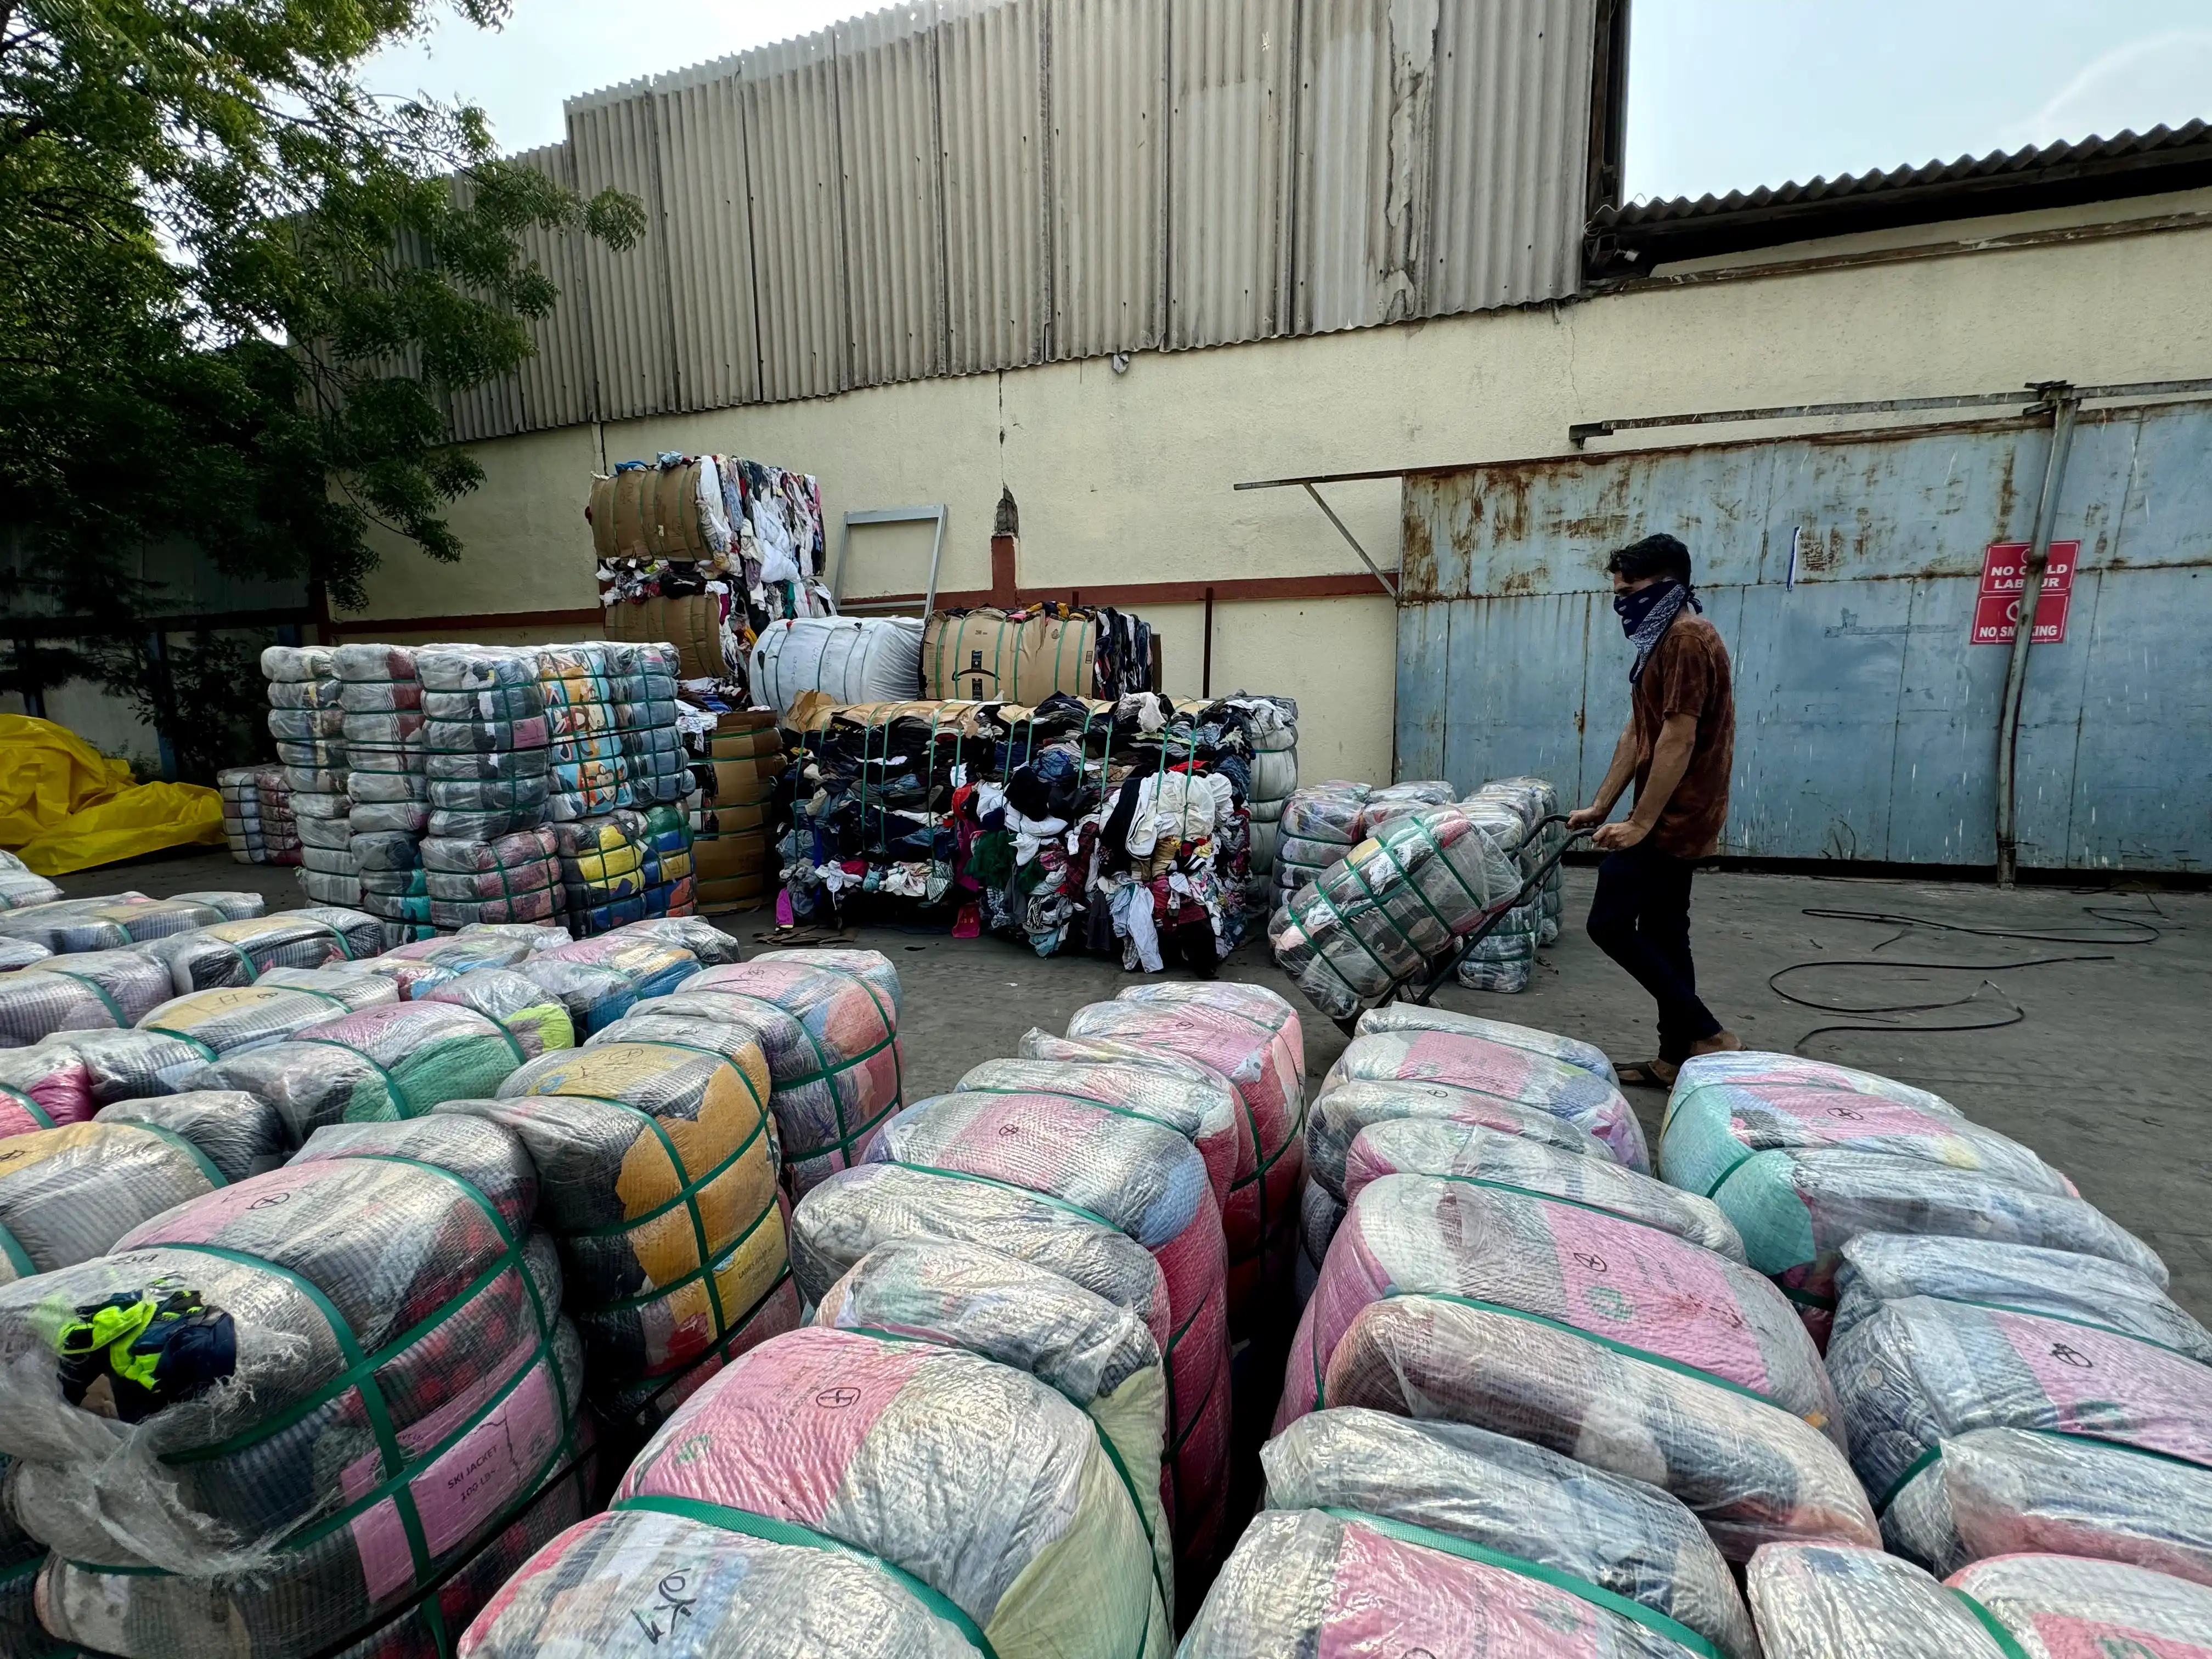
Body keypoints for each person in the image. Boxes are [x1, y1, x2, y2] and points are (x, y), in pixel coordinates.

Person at [1565, 533, 1741, 1088]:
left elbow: (1678, 739)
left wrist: (1639, 822)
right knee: (1667, 932)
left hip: (1677, 814)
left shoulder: (1688, 638)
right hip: (1663, 810)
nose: (1623, 600)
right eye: (1617, 590)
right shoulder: (1658, 638)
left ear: (1668, 584)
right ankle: (1675, 1057)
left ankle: (1709, 1033)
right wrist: (1601, 804)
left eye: (1631, 588)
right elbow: (1638, 731)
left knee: (1609, 924)